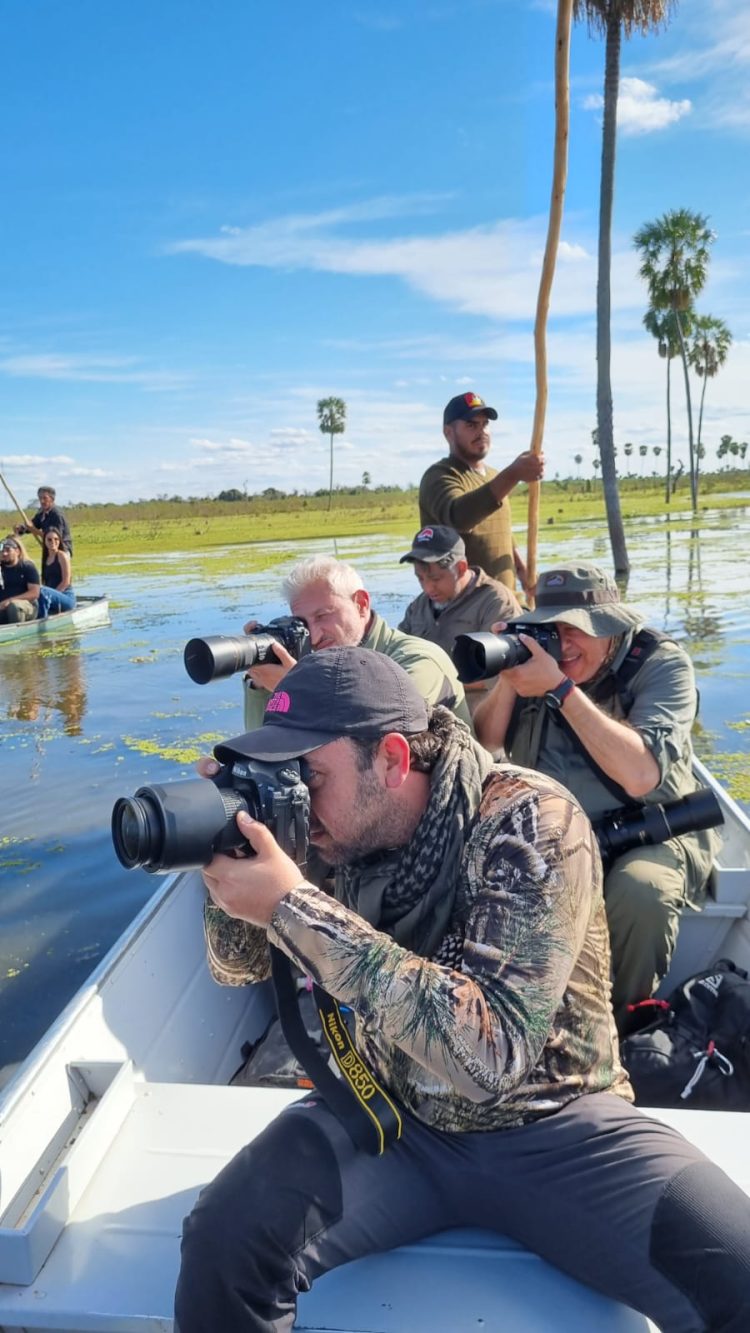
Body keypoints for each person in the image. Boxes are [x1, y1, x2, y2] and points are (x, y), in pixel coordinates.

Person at [174, 648, 750, 1333]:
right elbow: (237, 967)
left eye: (309, 774)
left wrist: (295, 906)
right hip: (389, 1114)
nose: (296, 791)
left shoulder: (531, 820)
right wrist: (228, 851)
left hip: (558, 1125)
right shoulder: (327, 826)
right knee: (223, 1240)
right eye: (283, 774)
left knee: (737, 1272)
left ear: (391, 758)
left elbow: (492, 1054)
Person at [472, 562, 720, 1029]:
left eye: (576, 632)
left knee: (641, 893)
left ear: (610, 628)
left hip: (650, 828)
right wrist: (508, 678)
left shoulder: (660, 664)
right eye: (551, 630)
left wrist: (561, 690)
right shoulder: (540, 663)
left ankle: (620, 1026)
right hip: (552, 828)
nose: (562, 645)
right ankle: (521, 1022)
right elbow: (486, 743)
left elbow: (642, 775)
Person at [241, 554, 472, 731]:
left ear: (361, 604)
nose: (315, 635)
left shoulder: (418, 660)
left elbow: (379, 732)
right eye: (302, 622)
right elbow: (262, 738)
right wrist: (260, 685)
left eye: (323, 616)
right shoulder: (319, 663)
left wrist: (297, 687)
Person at [418, 391, 544, 592]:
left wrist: (522, 570)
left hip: (505, 602)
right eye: (471, 425)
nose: (482, 431)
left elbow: (503, 533)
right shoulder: (440, 476)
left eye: (485, 424)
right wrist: (513, 474)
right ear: (448, 432)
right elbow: (459, 517)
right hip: (465, 609)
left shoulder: (494, 477)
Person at [398, 523, 521, 713]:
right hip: (427, 715)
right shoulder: (418, 606)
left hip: (480, 718)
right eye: (420, 578)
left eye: (436, 578)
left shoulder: (495, 601)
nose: (428, 588)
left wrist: (439, 682)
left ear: (462, 568)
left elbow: (507, 674)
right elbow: (398, 653)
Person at [14, 485, 73, 554]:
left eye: (45, 498)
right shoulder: (41, 512)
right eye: (40, 498)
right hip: (49, 549)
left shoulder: (57, 515)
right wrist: (21, 528)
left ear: (52, 499)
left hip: (62, 550)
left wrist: (34, 530)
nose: (42, 501)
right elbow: (33, 524)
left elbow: (54, 538)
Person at [0, 535, 40, 623]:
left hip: (26, 606)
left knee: (14, 606)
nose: (4, 553)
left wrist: (10, 600)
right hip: (2, 606)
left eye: (8, 550)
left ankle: (17, 631)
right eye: (2, 551)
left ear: (17, 551)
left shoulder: (27, 567)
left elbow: (35, 593)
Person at [39, 528, 76, 616]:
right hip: (50, 596)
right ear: (44, 541)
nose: (53, 542)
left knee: (42, 590)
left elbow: (66, 582)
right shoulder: (46, 559)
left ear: (60, 541)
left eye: (56, 539)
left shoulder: (62, 556)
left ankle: (43, 619)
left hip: (65, 596)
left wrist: (52, 595)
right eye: (49, 539)